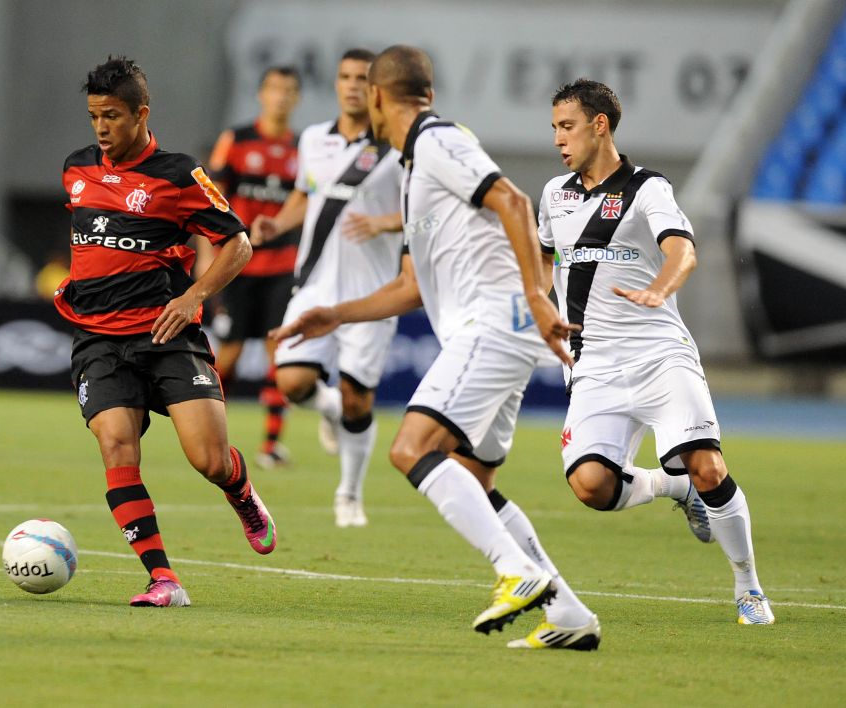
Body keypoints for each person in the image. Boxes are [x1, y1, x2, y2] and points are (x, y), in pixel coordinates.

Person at [271, 45, 600, 650]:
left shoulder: (436, 140)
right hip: (498, 328)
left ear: (375, 95)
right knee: (474, 477)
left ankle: (517, 572)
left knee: (410, 447)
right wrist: (332, 315)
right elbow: (409, 287)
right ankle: (571, 614)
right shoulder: (410, 168)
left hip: (495, 323)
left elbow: (514, 200)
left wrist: (537, 294)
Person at [538, 78, 774, 625]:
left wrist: (658, 290)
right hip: (593, 362)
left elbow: (683, 251)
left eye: (567, 126)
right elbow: (538, 251)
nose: (558, 139)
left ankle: (748, 587)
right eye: (553, 128)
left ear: (600, 125)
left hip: (659, 354)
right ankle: (674, 487)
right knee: (591, 486)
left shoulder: (647, 188)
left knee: (709, 465)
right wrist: (536, 304)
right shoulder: (555, 194)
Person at [54, 56, 277, 608]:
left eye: (112, 115)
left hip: (165, 334)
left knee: (208, 458)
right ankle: (163, 579)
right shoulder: (77, 169)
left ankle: (242, 492)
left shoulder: (179, 175)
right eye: (93, 116)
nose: (102, 128)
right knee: (115, 444)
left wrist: (193, 295)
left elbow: (238, 243)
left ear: (141, 113)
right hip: (99, 338)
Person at [252, 49, 404, 528]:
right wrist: (277, 226)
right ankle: (329, 407)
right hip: (315, 281)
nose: (353, 85)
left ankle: (349, 494)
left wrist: (384, 223)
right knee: (291, 380)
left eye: (363, 78)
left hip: (372, 291)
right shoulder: (315, 139)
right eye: (345, 77)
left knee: (360, 399)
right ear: (336, 84)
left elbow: (429, 210)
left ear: (377, 87)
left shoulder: (399, 146)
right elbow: (306, 193)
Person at [197, 65, 302, 470]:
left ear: (297, 98)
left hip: (283, 265)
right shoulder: (236, 141)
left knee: (281, 352)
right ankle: (207, 435)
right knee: (232, 356)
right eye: (275, 89)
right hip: (238, 263)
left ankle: (270, 446)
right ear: (261, 94)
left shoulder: (302, 148)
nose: (282, 97)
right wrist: (207, 256)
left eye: (289, 90)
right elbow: (212, 200)